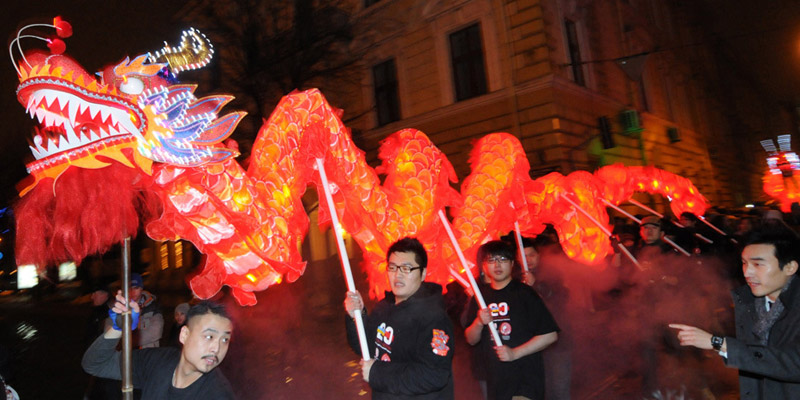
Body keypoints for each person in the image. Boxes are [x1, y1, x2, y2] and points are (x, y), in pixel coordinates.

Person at [670, 229, 800, 399]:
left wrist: (718, 343)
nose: (747, 272)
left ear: (790, 267)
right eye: (744, 263)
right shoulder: (748, 302)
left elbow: (794, 363)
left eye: (758, 264)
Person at [344, 237, 454, 399]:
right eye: (393, 267)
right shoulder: (384, 307)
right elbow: (365, 347)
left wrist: (376, 373)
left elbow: (433, 374)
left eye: (406, 268)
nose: (398, 274)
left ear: (423, 273)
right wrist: (356, 316)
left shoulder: (434, 319)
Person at [82, 296, 236, 399]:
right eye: (209, 336)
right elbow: (95, 364)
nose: (216, 348)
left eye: (225, 340)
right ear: (184, 335)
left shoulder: (218, 394)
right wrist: (118, 328)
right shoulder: (157, 361)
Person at [465, 240, 559, 400]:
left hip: (525, 376)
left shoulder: (525, 293)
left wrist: (515, 353)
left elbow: (550, 335)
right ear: (484, 266)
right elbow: (471, 339)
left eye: (503, 259)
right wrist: (479, 322)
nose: (497, 265)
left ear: (512, 263)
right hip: (496, 378)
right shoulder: (479, 297)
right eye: (491, 260)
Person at [128, 273, 164, 349]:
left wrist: (128, 341)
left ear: (141, 289)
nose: (132, 292)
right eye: (130, 288)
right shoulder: (121, 307)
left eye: (136, 288)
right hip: (126, 354)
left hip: (147, 353)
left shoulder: (152, 307)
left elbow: (156, 332)